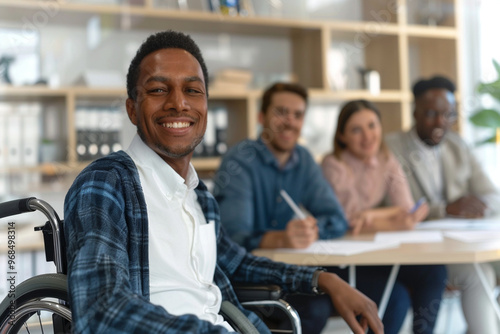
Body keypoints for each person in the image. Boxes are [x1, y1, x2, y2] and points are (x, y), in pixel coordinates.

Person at [63, 30, 383, 334]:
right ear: (132, 109)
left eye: (192, 90)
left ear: (205, 106)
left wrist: (323, 280)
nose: (179, 103)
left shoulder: (199, 195)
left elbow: (237, 262)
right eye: (159, 89)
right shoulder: (106, 183)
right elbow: (101, 310)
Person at [214, 82, 416, 334]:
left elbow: (337, 220)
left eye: (297, 115)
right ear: (261, 117)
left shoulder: (304, 160)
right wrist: (279, 238)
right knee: (315, 307)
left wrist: (310, 230)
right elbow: (233, 240)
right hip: (255, 277)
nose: (290, 121)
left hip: (296, 270)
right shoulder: (240, 161)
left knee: (395, 296)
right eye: (281, 112)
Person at [321, 99, 447, 334]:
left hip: (373, 255)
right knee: (396, 298)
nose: (367, 136)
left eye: (372, 126)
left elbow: (407, 212)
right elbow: (348, 223)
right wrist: (390, 217)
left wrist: (371, 216)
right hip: (342, 260)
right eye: (356, 129)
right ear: (342, 136)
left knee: (434, 270)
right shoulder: (334, 165)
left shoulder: (386, 160)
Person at [386, 75, 500, 334]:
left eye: (449, 114)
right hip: (417, 256)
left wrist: (478, 205)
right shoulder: (392, 148)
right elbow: (395, 211)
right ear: (414, 112)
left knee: (483, 270)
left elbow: (493, 196)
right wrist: (447, 209)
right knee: (476, 273)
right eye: (431, 113)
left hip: (459, 247)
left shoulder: (457, 146)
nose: (441, 122)